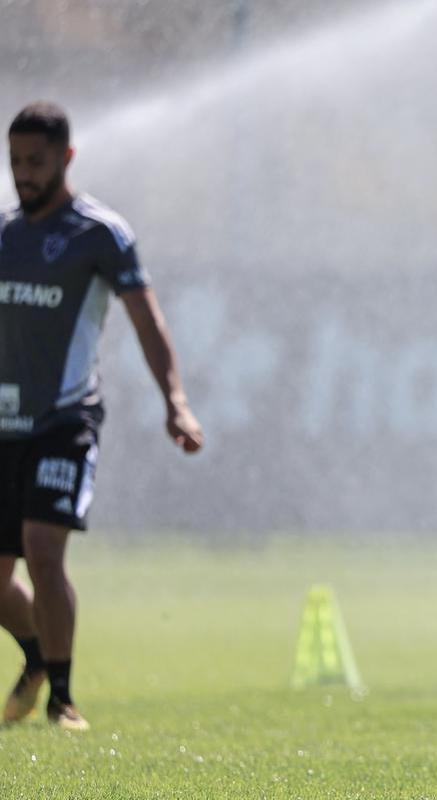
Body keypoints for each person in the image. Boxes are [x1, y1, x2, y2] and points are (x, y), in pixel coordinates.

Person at [1, 102, 204, 731]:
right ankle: (37, 658)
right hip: (2, 425)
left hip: (66, 418)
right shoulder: (5, 233)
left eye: (35, 162)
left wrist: (175, 400)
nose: (23, 175)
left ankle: (63, 697)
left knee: (43, 549)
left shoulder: (99, 234)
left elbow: (147, 320)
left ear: (66, 158)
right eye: (14, 163)